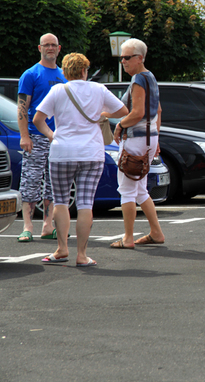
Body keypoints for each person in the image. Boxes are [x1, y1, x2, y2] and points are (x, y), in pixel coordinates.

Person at [33, 53, 128, 266]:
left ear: (65, 72)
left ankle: (61, 249)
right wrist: (100, 114)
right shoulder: (98, 89)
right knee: (85, 203)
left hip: (62, 153)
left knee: (61, 201)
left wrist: (52, 135)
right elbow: (123, 110)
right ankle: (82, 255)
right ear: (85, 71)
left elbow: (38, 119)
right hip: (91, 154)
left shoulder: (58, 90)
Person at [110, 38, 165, 249]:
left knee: (126, 189)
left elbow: (137, 113)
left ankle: (128, 238)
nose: (123, 61)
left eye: (126, 57)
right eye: (121, 57)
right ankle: (156, 232)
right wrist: (156, 137)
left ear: (139, 58)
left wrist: (119, 125)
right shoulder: (150, 77)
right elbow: (157, 111)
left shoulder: (138, 80)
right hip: (150, 138)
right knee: (140, 188)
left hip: (136, 139)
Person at [16, 33, 66, 243]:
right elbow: (22, 107)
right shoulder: (30, 74)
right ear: (39, 48)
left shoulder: (65, 75)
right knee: (30, 181)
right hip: (36, 137)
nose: (50, 48)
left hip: (58, 138)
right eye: (46, 45)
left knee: (54, 183)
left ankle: (48, 225)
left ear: (59, 48)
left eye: (53, 45)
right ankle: (27, 226)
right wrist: (24, 136)